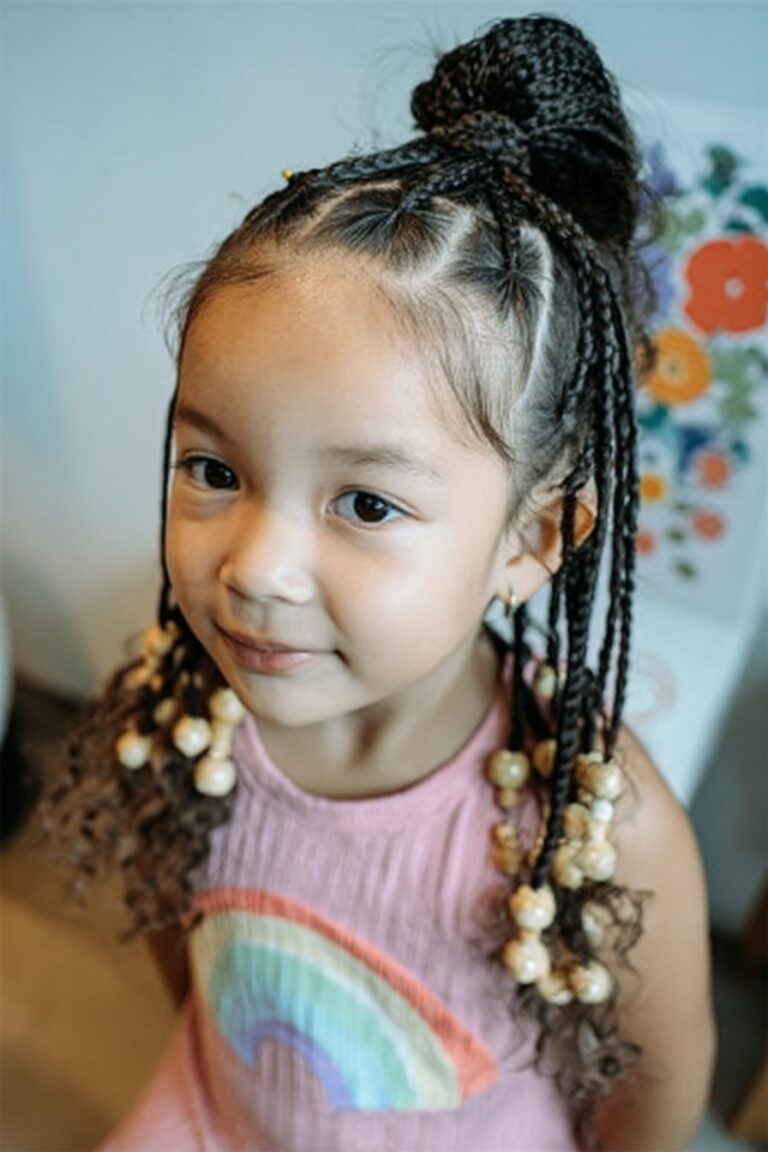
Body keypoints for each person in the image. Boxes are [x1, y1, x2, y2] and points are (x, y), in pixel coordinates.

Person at [49, 15, 715, 1151]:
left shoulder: (593, 823)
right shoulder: (182, 710)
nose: (254, 569)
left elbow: (658, 1082)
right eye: (215, 470)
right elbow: (181, 948)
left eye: (366, 504)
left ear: (532, 540)